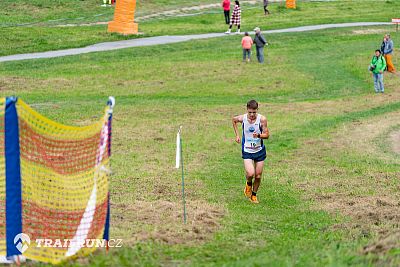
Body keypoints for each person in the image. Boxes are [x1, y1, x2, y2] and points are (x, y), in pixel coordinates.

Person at [232, 100, 269, 204]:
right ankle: (248, 184)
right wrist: (237, 135)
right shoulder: (243, 118)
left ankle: (253, 195)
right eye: (250, 112)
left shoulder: (262, 119)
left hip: (259, 150)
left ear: (257, 110)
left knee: (258, 176)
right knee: (250, 173)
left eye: (254, 112)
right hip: (247, 150)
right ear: (247, 110)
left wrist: (259, 135)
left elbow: (267, 135)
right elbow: (233, 120)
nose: (252, 114)